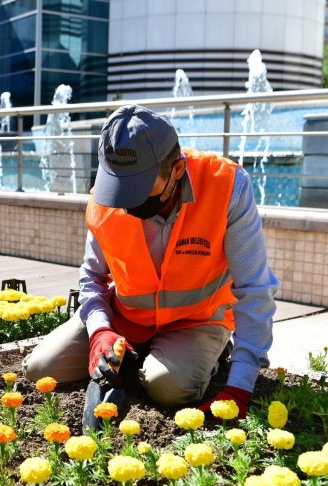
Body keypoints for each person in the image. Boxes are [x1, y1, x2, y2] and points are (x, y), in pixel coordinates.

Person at [23, 105, 277, 424]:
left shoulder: (227, 187)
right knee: (40, 369)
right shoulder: (106, 199)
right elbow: (92, 281)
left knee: (168, 388)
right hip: (126, 319)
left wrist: (240, 386)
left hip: (195, 321)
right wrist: (100, 330)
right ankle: (130, 354)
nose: (126, 202)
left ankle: (214, 355)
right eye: (120, 188)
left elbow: (255, 290)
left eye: (140, 188)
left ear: (177, 170)